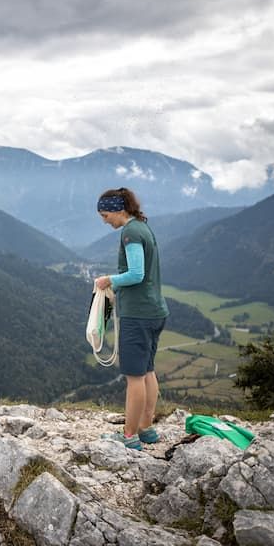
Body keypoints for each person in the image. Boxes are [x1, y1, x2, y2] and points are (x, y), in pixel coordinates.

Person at [93, 188, 169, 450]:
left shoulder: (131, 232)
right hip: (154, 312)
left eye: (105, 215)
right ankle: (146, 429)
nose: (104, 221)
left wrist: (109, 280)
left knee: (134, 377)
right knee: (147, 371)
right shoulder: (143, 227)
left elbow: (136, 273)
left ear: (118, 209)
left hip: (138, 315)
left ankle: (129, 436)